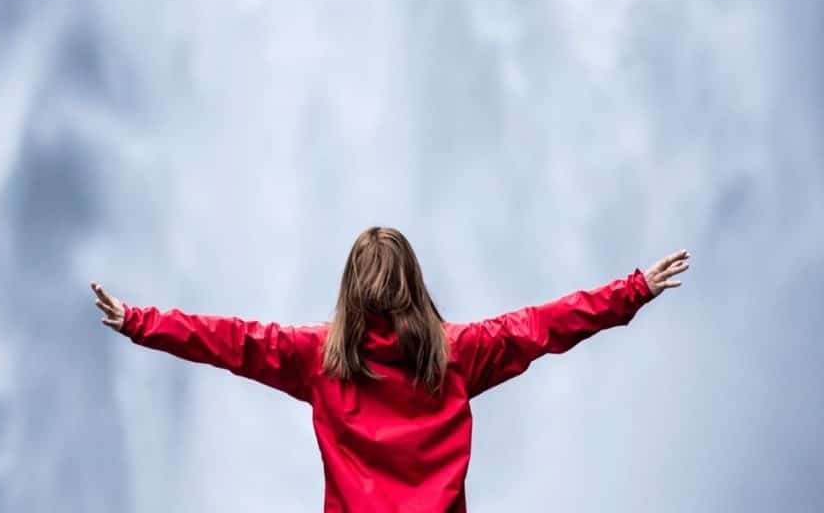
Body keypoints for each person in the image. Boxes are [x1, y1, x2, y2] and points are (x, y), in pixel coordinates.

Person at [91, 226, 689, 512]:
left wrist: (141, 320)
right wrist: (632, 290)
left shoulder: (317, 358)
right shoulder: (460, 352)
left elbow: (229, 341)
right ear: (415, 282)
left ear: (350, 288)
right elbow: (548, 325)